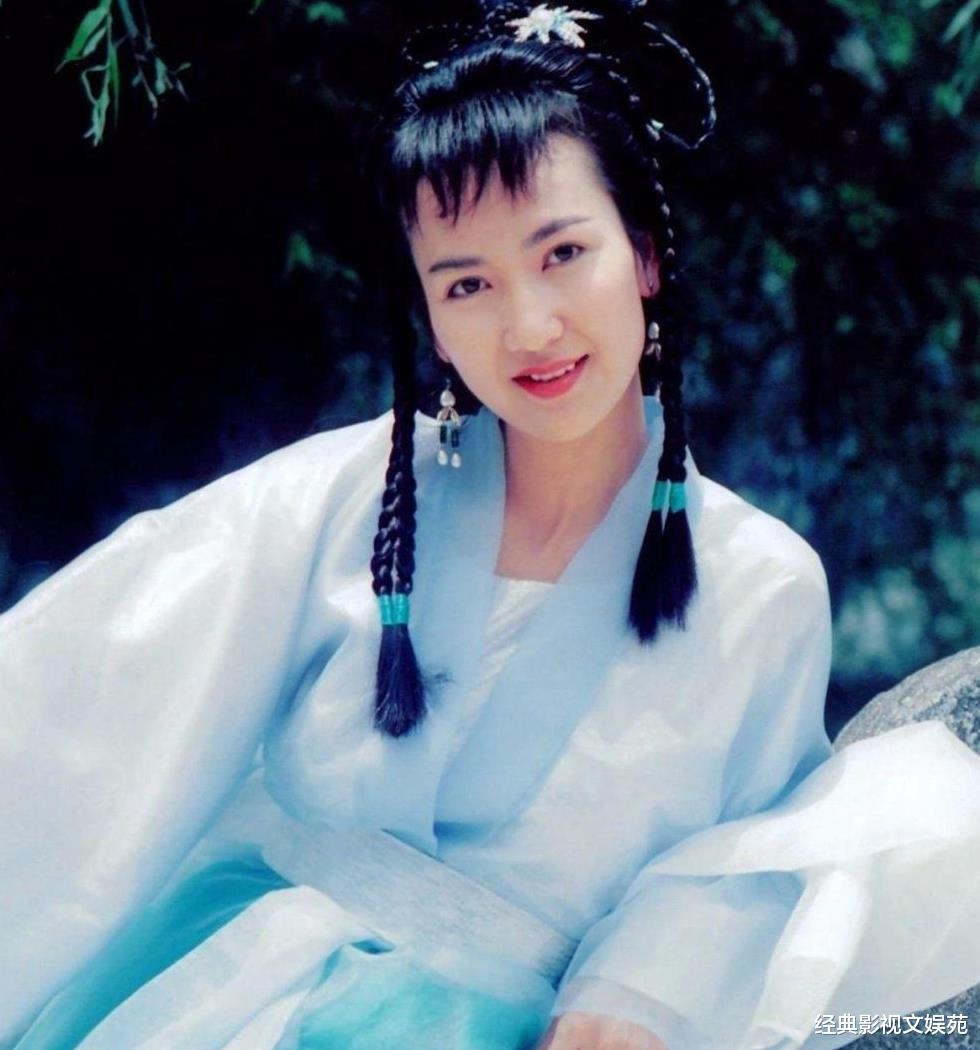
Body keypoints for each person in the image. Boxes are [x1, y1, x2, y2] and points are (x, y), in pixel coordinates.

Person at [3, 2, 980, 1048]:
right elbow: (93, 679)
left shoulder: (758, 583)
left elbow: (746, 861)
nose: (528, 326)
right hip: (216, 992)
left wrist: (638, 986)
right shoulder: (343, 496)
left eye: (563, 254)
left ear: (646, 256)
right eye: (467, 282)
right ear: (428, 316)